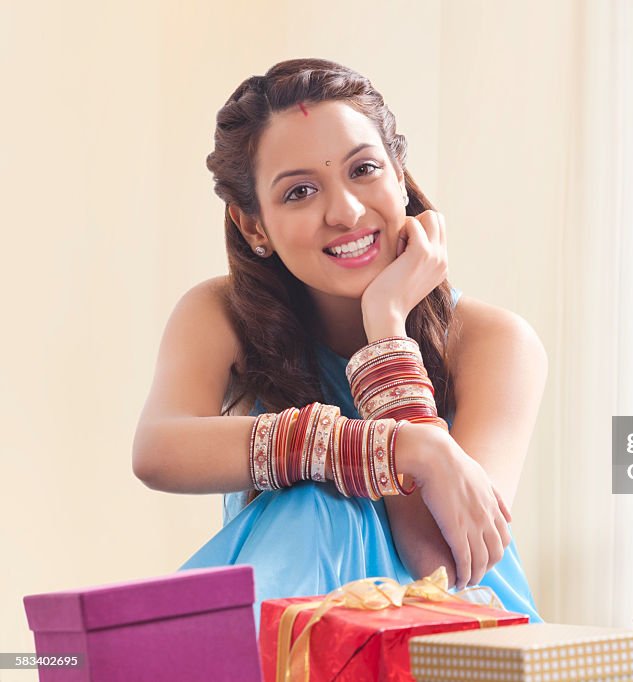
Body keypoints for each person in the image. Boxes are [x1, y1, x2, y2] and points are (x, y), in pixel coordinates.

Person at [131, 58, 546, 627]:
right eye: (300, 191)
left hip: (448, 637)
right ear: (254, 226)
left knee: (324, 496)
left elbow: (438, 565)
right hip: (289, 619)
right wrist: (405, 450)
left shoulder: (496, 342)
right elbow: (157, 452)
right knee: (313, 504)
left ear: (400, 175)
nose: (346, 211)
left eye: (365, 169)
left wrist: (387, 327)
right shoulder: (219, 315)